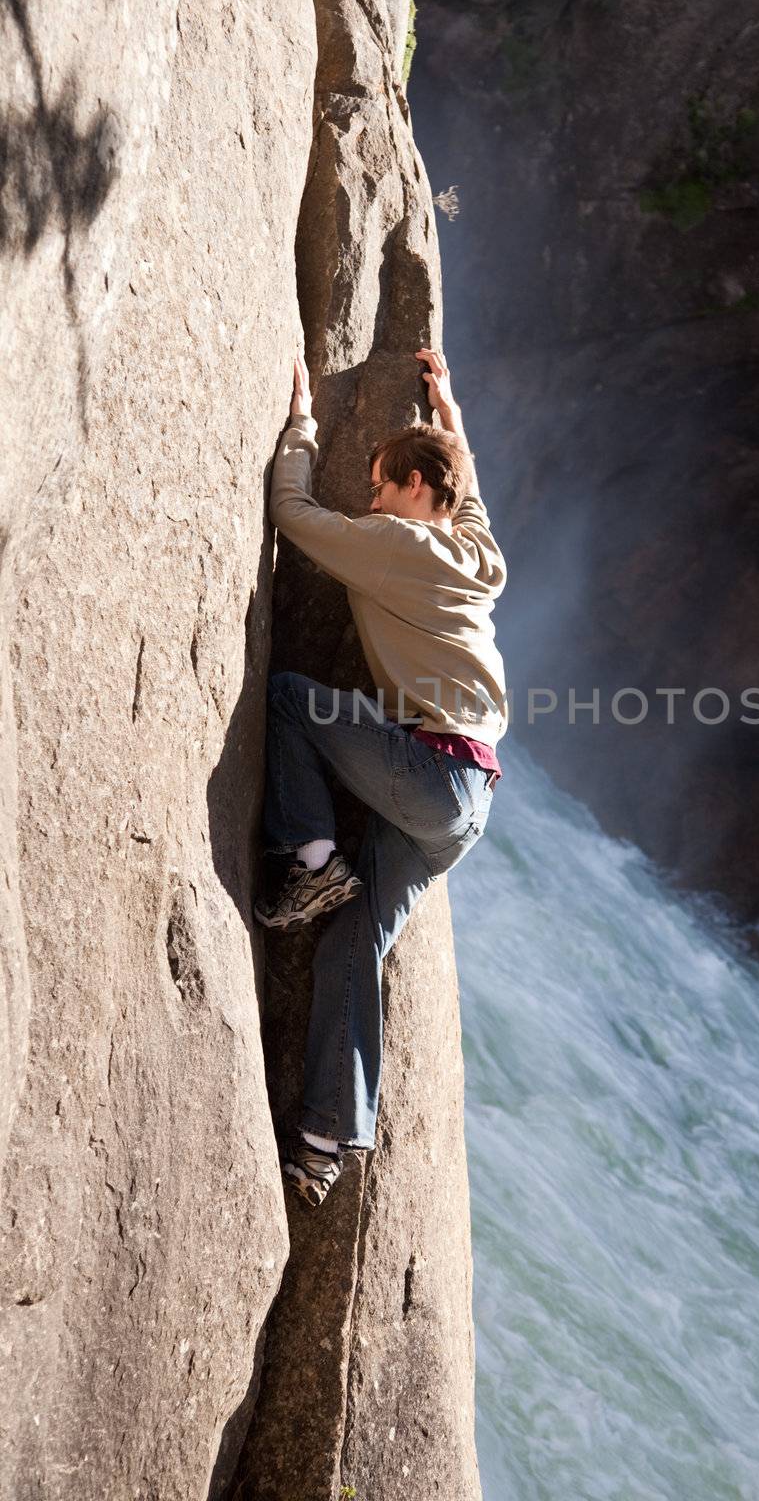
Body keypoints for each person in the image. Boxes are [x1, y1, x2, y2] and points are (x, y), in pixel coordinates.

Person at [256, 345, 507, 1206]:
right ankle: (326, 1139)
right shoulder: (476, 555)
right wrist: (449, 411)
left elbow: (290, 510)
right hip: (464, 805)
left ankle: (312, 859)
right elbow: (464, 488)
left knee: (290, 700)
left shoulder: (390, 543)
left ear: (407, 488)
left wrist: (301, 425)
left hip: (428, 772)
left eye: (376, 483)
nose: (367, 497)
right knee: (353, 941)